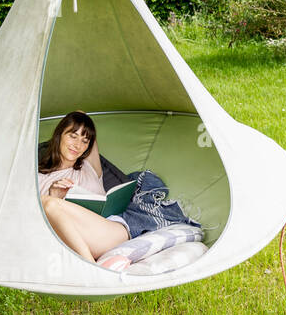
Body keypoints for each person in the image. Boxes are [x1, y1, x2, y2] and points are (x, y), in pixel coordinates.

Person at [38, 110, 200, 264]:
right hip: (73, 238)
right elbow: (40, 224)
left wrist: (78, 127)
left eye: (85, 141)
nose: (77, 145)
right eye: (72, 136)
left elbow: (81, 113)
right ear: (59, 135)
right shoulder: (39, 178)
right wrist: (54, 195)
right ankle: (92, 265)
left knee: (50, 204)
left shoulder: (90, 165)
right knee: (50, 204)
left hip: (110, 230)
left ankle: (90, 267)